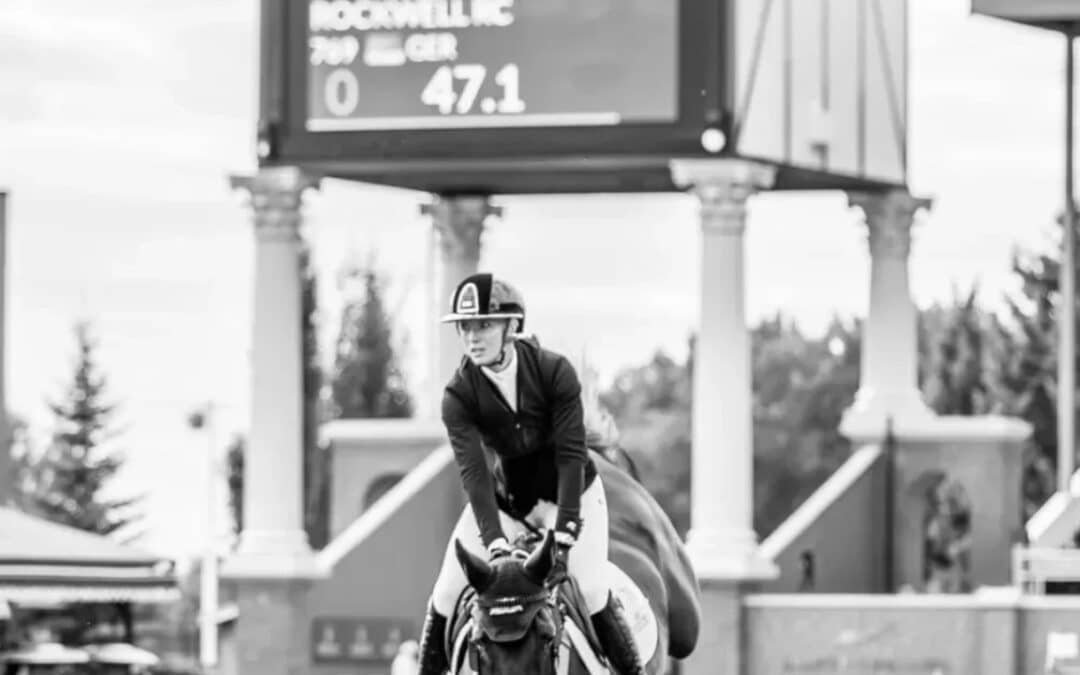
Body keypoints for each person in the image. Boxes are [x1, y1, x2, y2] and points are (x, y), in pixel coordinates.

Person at [416, 273, 645, 675]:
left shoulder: (553, 371)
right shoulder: (458, 395)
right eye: (465, 326)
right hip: (509, 503)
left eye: (484, 325)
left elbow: (572, 454)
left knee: (590, 588)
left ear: (512, 326)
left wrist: (569, 526)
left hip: (571, 494)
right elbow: (475, 476)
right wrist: (495, 542)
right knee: (446, 590)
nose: (472, 336)